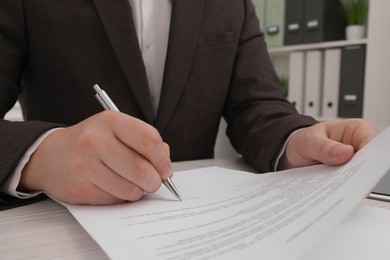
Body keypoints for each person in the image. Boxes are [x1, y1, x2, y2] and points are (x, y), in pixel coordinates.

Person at [0, 0, 378, 209]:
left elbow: (257, 104)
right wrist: (41, 157)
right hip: (58, 228)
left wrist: (296, 138)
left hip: (196, 226)